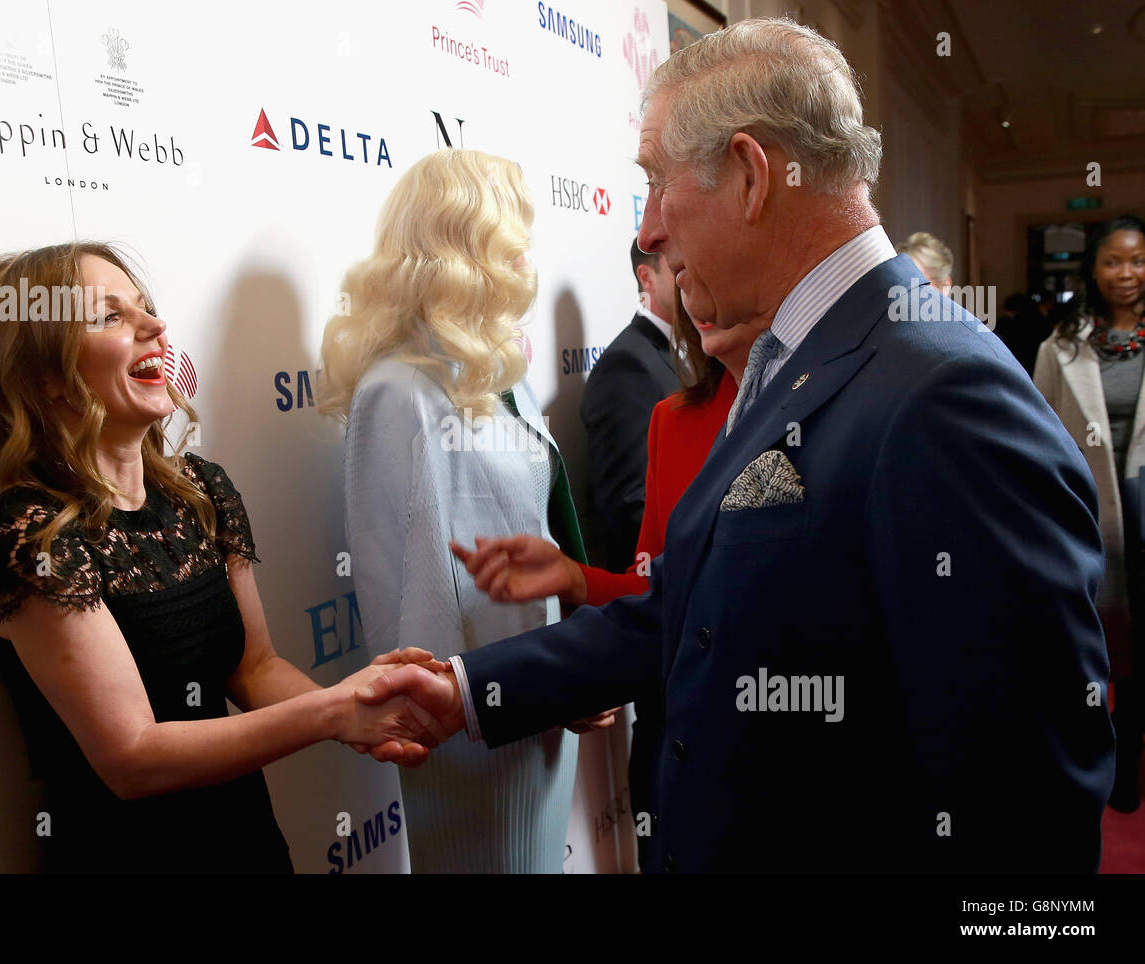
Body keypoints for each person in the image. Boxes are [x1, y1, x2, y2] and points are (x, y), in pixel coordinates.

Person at [359, 17, 1116, 873]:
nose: (646, 231)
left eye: (655, 184)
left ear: (752, 177)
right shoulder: (788, 358)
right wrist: (466, 689)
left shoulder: (943, 396)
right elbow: (688, 613)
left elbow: (1026, 802)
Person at [0, 242, 439, 874]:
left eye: (147, 308)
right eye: (110, 317)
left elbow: (254, 668)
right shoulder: (28, 533)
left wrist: (363, 706)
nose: (155, 327)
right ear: (42, 375)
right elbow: (133, 757)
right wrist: (333, 710)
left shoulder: (200, 491)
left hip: (249, 845)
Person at [319, 149, 587, 873]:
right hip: (469, 729)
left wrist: (575, 670)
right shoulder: (396, 390)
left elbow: (543, 531)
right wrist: (447, 714)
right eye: (512, 231)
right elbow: (399, 593)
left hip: (538, 700)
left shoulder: (500, 376)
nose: (526, 251)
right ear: (466, 239)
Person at [454, 282, 764, 862]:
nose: (688, 277)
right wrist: (576, 579)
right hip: (679, 752)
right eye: (677, 265)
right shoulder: (672, 420)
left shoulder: (830, 406)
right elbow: (658, 596)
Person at [1034, 214, 1145, 812]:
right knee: (1104, 641)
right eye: (1112, 261)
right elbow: (1037, 429)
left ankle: (1129, 758)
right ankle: (1104, 763)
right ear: (1093, 269)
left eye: (1137, 260)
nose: (1125, 273)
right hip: (1094, 516)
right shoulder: (1063, 344)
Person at [580, 241, 683, 572]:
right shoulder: (626, 366)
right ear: (647, 278)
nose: (690, 272)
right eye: (677, 266)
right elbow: (631, 511)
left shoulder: (698, 351)